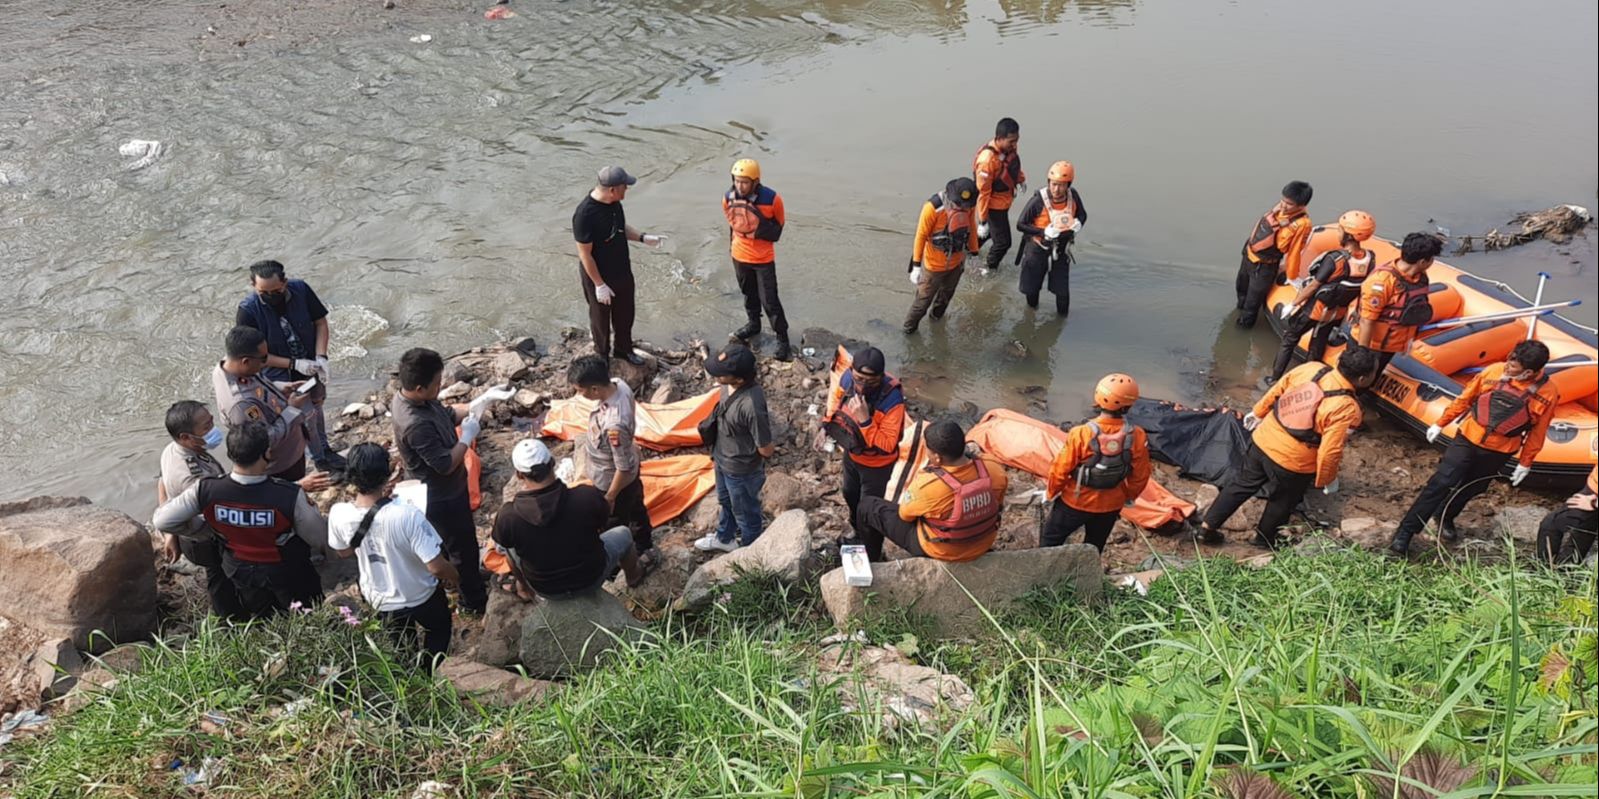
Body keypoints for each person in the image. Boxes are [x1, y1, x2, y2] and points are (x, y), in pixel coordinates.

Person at [1389, 340, 1560, 555]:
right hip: (1468, 438)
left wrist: (1526, 462)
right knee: (1442, 481)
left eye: (1513, 367)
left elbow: (1538, 430)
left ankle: (1446, 515)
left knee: (1474, 487)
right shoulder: (1493, 372)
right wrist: (1441, 422)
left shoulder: (1548, 394)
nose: (1507, 367)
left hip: (1500, 449)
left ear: (1528, 373)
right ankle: (1406, 532)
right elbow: (1466, 398)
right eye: (1509, 360)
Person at [1197, 347, 1377, 548]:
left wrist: (1258, 412)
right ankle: (1264, 540)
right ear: (1362, 379)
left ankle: (1206, 528)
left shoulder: (1311, 369)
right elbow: (1330, 450)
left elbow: (1277, 390)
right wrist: (1326, 479)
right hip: (1293, 462)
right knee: (1282, 501)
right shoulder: (1347, 407)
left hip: (1263, 439)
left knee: (1241, 484)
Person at [153, 421, 327, 618]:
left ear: (230, 454)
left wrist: (207, 530)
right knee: (307, 612)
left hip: (240, 571)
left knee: (263, 615)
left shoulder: (205, 490)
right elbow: (320, 538)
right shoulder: (289, 495)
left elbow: (163, 521)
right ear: (267, 453)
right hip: (287, 569)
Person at [328, 443, 459, 667]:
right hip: (420, 594)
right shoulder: (407, 514)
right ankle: (430, 671)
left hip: (380, 598)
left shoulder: (339, 513)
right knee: (438, 631)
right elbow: (436, 567)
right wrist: (456, 576)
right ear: (387, 475)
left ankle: (407, 677)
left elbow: (343, 551)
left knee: (399, 642)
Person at [392, 348, 490, 614]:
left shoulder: (419, 399)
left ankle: (461, 581)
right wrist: (466, 437)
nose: (441, 387)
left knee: (449, 544)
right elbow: (446, 464)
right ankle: (472, 600)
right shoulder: (414, 423)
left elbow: (446, 414)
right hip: (441, 494)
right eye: (437, 384)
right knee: (463, 548)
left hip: (445, 489)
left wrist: (478, 404)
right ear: (419, 387)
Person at [492, 439, 644, 599]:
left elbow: (505, 547)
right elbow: (604, 520)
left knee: (508, 548)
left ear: (519, 475)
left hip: (545, 589)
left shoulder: (508, 516)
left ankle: (523, 588)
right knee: (624, 533)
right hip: (591, 578)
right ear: (552, 462)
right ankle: (633, 577)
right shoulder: (586, 497)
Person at [235, 259, 346, 472]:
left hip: (310, 363)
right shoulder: (248, 311)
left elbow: (320, 322)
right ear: (253, 287)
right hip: (279, 372)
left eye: (276, 291)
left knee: (317, 402)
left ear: (285, 282)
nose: (270, 297)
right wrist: (294, 364)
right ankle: (319, 459)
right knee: (305, 413)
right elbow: (252, 355)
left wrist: (321, 356)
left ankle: (324, 448)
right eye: (263, 292)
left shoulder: (301, 290)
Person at [852, 419, 1007, 562]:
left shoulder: (928, 485)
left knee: (867, 507)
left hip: (941, 549)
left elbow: (905, 515)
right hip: (982, 542)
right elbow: (997, 502)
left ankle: (873, 559)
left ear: (937, 458)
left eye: (927, 449)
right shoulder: (994, 469)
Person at [1264, 210, 1378, 386]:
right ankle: (1309, 383)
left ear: (1348, 235)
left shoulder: (1335, 259)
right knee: (1318, 345)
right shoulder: (1370, 258)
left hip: (1315, 309)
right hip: (1337, 312)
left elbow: (1314, 285)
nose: (1338, 232)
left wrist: (1294, 304)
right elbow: (1363, 287)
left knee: (1290, 339)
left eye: (1340, 230)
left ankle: (1274, 378)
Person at [1042, 374, 1151, 552]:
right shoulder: (1137, 435)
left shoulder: (1081, 433)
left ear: (1098, 397)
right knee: (1094, 546)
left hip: (1075, 501)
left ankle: (1046, 575)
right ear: (1129, 405)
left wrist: (1051, 492)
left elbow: (1060, 469)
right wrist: (1129, 496)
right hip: (1111, 505)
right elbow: (1141, 474)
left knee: (1051, 539)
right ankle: (1087, 575)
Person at [155, 400, 242, 619]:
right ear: (185, 437)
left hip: (187, 527)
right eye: (206, 427)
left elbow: (162, 483)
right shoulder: (191, 478)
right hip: (203, 538)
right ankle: (229, 620)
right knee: (220, 575)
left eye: (211, 422)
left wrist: (170, 534)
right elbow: (217, 508)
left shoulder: (171, 450)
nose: (213, 430)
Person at [568, 355, 656, 566]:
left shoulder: (614, 425)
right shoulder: (619, 385)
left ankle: (618, 563)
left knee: (613, 523)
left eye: (581, 390)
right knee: (637, 508)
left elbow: (622, 468)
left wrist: (610, 497)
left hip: (612, 480)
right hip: (628, 469)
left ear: (595, 389)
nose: (579, 395)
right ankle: (645, 542)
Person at [573, 165, 665, 367]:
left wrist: (643, 237)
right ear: (613, 188)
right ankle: (602, 356)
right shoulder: (584, 214)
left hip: (621, 270)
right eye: (625, 186)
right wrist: (599, 284)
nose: (627, 190)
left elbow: (620, 228)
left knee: (625, 314)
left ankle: (624, 350)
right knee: (600, 320)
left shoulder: (614, 203)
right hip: (599, 275)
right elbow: (585, 254)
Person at [694, 343, 775, 553]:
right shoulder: (728, 385)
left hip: (741, 471)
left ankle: (749, 553)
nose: (716, 377)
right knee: (725, 502)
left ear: (739, 379)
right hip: (721, 459)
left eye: (721, 374)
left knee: (747, 514)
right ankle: (724, 537)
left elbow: (766, 449)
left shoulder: (751, 405)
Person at [818, 346, 907, 536]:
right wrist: (826, 425)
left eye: (870, 381)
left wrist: (865, 420)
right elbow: (836, 400)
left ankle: (871, 548)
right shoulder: (847, 379)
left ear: (881, 377)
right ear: (852, 371)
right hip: (853, 453)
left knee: (869, 509)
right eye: (859, 379)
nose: (862, 386)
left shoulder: (892, 400)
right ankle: (856, 528)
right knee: (849, 494)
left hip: (877, 465)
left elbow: (888, 445)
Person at [213, 326, 316, 482]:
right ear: (245, 361)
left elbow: (257, 385)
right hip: (282, 464)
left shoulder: (228, 365)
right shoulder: (242, 406)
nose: (266, 363)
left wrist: (280, 387)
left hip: (291, 442)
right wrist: (292, 409)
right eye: (262, 359)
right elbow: (266, 438)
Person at [723, 159, 792, 360]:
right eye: (737, 181)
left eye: (745, 182)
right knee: (748, 294)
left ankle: (782, 339)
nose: (740, 186)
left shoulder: (772, 199)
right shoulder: (728, 197)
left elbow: (778, 227)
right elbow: (732, 222)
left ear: (755, 181)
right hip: (739, 255)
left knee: (770, 301)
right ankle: (754, 324)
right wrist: (732, 248)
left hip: (763, 259)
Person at [1350, 232, 1443, 376]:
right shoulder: (1382, 282)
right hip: (1371, 345)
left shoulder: (1420, 278)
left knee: (1372, 379)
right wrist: (1362, 354)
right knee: (1357, 379)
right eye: (1432, 259)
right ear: (1423, 262)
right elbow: (1367, 321)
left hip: (1391, 345)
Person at [904, 178, 981, 334]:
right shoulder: (932, 208)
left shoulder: (969, 207)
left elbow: (971, 227)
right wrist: (917, 266)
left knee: (946, 297)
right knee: (922, 303)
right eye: (959, 204)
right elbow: (921, 236)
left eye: (966, 205)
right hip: (933, 266)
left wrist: (974, 253)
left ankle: (936, 321)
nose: (963, 208)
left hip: (956, 263)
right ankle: (908, 330)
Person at [1013, 161, 1087, 316]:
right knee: (1031, 288)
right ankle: (1031, 314)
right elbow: (1021, 224)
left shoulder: (1073, 196)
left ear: (1068, 185)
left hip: (1061, 250)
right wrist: (1043, 232)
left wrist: (1079, 223)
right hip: (1038, 247)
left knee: (1062, 291)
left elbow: (1082, 214)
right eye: (1053, 184)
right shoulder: (1038, 200)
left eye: (1061, 185)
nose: (1057, 190)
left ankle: (1062, 320)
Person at [1236, 181, 1313, 328]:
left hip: (1264, 267)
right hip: (1249, 255)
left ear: (1301, 205)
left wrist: (1292, 276)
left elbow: (1295, 252)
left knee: (1251, 305)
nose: (1283, 205)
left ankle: (1242, 329)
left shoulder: (1302, 224)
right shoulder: (1279, 209)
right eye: (1283, 200)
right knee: (1241, 289)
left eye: (1289, 203)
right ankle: (1238, 310)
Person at [973, 117, 1025, 273]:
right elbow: (983, 193)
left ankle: (968, 251)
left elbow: (1012, 166)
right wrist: (982, 220)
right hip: (993, 206)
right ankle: (988, 269)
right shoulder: (987, 161)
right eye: (1011, 141)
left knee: (990, 234)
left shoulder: (1007, 149)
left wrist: (1021, 179)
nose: (1015, 145)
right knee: (1003, 242)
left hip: (1004, 200)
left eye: (1016, 140)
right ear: (1000, 138)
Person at [1535, 464, 1597, 566]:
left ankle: (1554, 569)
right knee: (1552, 524)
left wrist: (1594, 503)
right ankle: (1556, 568)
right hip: (1593, 488)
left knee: (1552, 524)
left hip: (1593, 498)